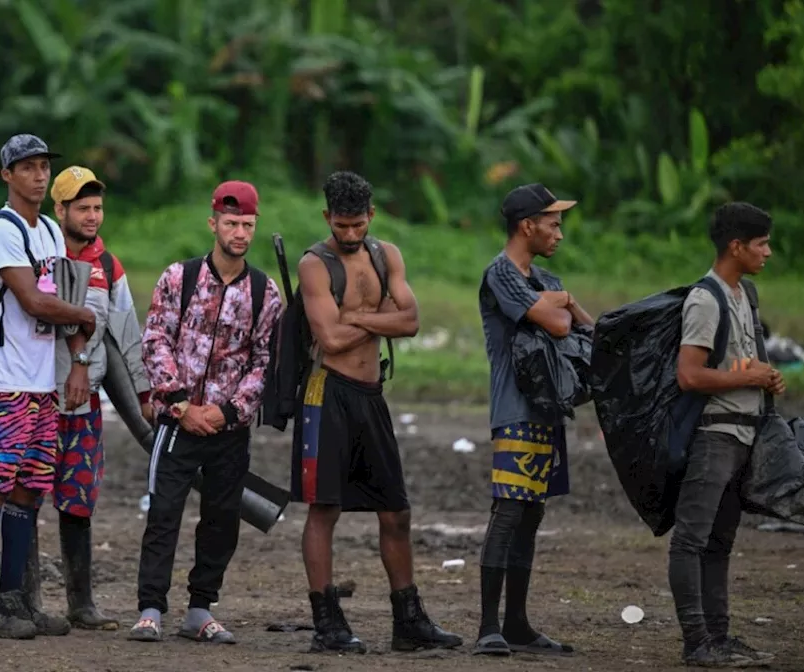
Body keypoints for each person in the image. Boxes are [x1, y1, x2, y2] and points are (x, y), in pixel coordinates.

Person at [293, 170, 462, 654]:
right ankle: (327, 623)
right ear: (328, 217)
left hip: (371, 394)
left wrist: (358, 317)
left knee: (396, 511)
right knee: (325, 509)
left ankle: (408, 621)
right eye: (341, 226)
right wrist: (381, 320)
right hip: (327, 393)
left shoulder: (387, 255)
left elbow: (411, 321)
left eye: (357, 225)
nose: (350, 234)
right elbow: (329, 338)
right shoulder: (314, 265)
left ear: (372, 216)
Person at [129, 180, 282, 644]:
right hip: (178, 423)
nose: (240, 232)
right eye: (232, 223)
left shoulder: (264, 292)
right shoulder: (179, 278)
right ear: (213, 222)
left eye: (248, 225)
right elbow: (154, 339)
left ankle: (200, 608)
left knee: (221, 518)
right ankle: (150, 608)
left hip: (228, 429)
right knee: (164, 513)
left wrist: (228, 412)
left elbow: (264, 361)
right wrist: (180, 405)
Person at [0, 134, 96, 640]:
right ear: (7, 175)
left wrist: (79, 357)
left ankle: (15, 600)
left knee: (30, 488)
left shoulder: (46, 230)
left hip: (42, 381)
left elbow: (60, 299)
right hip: (7, 382)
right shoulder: (4, 230)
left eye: (44, 167)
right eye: (28, 167)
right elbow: (35, 302)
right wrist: (85, 315)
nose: (39, 175)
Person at [473, 183, 592, 657]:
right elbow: (563, 325)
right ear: (527, 226)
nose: (559, 233)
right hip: (514, 411)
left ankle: (517, 623)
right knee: (508, 512)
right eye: (553, 223)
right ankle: (488, 627)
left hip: (547, 410)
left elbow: (586, 325)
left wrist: (561, 300)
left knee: (531, 513)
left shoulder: (543, 278)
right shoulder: (500, 274)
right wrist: (560, 305)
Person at [36, 165, 152, 630]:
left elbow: (128, 334)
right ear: (59, 209)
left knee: (78, 501)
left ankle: (80, 605)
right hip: (38, 401)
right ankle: (27, 602)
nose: (92, 216)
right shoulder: (39, 255)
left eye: (98, 207)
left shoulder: (108, 266)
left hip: (84, 408)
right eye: (82, 207)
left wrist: (145, 392)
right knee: (25, 497)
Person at [670, 202, 779, 667]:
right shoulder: (705, 299)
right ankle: (696, 641)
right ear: (736, 247)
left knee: (719, 543)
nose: (768, 253)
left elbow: (736, 365)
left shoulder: (744, 294)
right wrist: (751, 379)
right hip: (714, 436)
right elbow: (690, 376)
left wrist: (766, 378)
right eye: (761, 244)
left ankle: (720, 636)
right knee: (691, 541)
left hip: (743, 436)